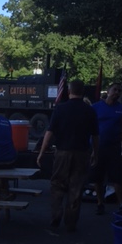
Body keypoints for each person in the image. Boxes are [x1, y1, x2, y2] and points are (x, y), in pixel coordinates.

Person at [37, 80, 99, 232]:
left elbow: (50, 132)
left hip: (62, 152)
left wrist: (42, 152)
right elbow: (96, 135)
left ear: (69, 91)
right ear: (83, 91)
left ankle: (56, 215)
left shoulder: (60, 108)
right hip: (82, 153)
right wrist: (95, 153)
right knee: (76, 187)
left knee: (58, 184)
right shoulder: (89, 110)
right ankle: (71, 222)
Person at [91, 82, 122, 213]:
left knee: (118, 177)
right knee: (97, 177)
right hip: (98, 147)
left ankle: (121, 203)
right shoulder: (95, 107)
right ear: (108, 91)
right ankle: (100, 203)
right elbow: (88, 124)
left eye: (119, 91)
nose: (117, 92)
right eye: (115, 90)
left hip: (114, 147)